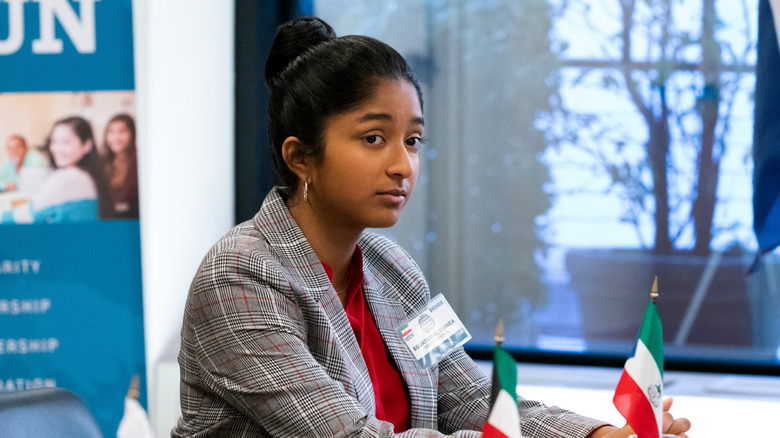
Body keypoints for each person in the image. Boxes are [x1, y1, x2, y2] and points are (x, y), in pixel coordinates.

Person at [172, 17, 691, 437]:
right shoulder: (239, 277)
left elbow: (469, 399)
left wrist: (598, 437)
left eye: (413, 140)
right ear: (301, 157)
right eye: (374, 138)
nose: (403, 165)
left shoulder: (393, 267)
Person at [1, 116, 112, 224]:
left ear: (86, 145)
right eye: (54, 141)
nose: (57, 148)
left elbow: (26, 215)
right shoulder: (88, 174)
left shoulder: (70, 177)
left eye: (66, 142)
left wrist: (4, 215)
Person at [102, 114, 139, 219]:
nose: (116, 137)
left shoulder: (138, 160)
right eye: (111, 132)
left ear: (132, 133)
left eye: (122, 132)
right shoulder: (103, 162)